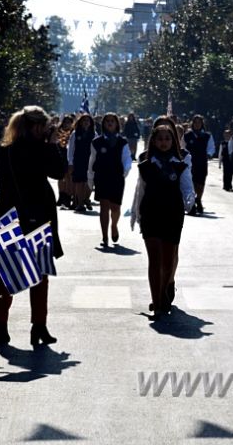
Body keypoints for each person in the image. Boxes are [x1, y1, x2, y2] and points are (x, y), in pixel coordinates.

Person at [0, 106, 67, 346]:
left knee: (7, 273)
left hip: (8, 214)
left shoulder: (4, 150)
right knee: (40, 275)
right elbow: (59, 171)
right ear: (37, 127)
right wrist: (53, 144)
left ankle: (0, 324)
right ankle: (39, 326)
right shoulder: (40, 149)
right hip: (37, 213)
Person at [131, 125, 195, 320]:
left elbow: (187, 186)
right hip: (151, 213)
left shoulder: (180, 163)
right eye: (160, 139)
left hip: (173, 214)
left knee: (168, 261)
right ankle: (157, 304)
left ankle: (165, 290)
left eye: (168, 139)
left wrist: (190, 201)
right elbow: (140, 190)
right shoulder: (146, 163)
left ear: (173, 141)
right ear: (153, 141)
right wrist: (136, 214)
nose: (164, 142)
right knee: (155, 260)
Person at [88, 113, 132, 248]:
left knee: (115, 207)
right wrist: (90, 177)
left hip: (117, 178)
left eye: (112, 121)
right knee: (104, 207)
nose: (110, 123)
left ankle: (114, 225)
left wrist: (123, 173)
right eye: (107, 121)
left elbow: (127, 160)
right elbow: (92, 160)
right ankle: (104, 237)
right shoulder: (96, 142)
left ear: (117, 124)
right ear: (103, 124)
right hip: (102, 177)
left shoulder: (122, 142)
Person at [183, 115, 215, 214]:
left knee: (200, 183)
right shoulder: (187, 135)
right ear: (192, 123)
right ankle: (191, 203)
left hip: (201, 162)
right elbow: (182, 147)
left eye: (199, 122)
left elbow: (211, 147)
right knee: (191, 183)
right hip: (190, 163)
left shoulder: (207, 136)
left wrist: (209, 154)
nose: (197, 124)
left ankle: (199, 199)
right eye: (195, 122)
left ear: (202, 124)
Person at [67, 113, 96, 212]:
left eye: (88, 121)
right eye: (84, 120)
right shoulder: (75, 134)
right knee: (79, 182)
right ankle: (80, 204)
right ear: (80, 122)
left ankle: (86, 199)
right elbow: (71, 149)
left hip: (91, 161)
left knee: (89, 182)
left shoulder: (94, 134)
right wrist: (70, 162)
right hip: (78, 160)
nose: (86, 122)